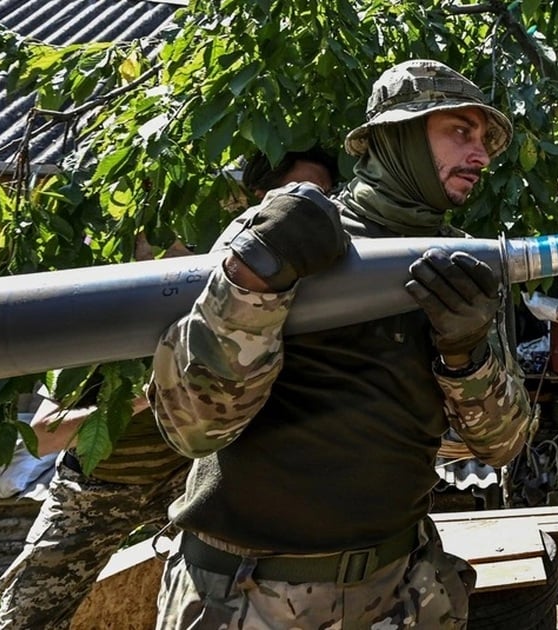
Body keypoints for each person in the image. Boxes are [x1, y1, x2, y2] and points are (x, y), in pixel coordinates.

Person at [149, 59, 536, 629]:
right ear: (394, 137)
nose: (480, 156)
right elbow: (192, 426)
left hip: (400, 591)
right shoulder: (285, 235)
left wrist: (468, 354)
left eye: (484, 140)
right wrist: (256, 282)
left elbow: (502, 445)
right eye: (460, 131)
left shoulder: (459, 267)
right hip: (249, 596)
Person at [0, 151, 341, 630]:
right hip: (97, 490)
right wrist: (145, 397)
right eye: (157, 247)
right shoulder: (103, 323)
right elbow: (46, 435)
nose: (173, 259)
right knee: (29, 614)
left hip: (186, 481)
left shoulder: (238, 304)